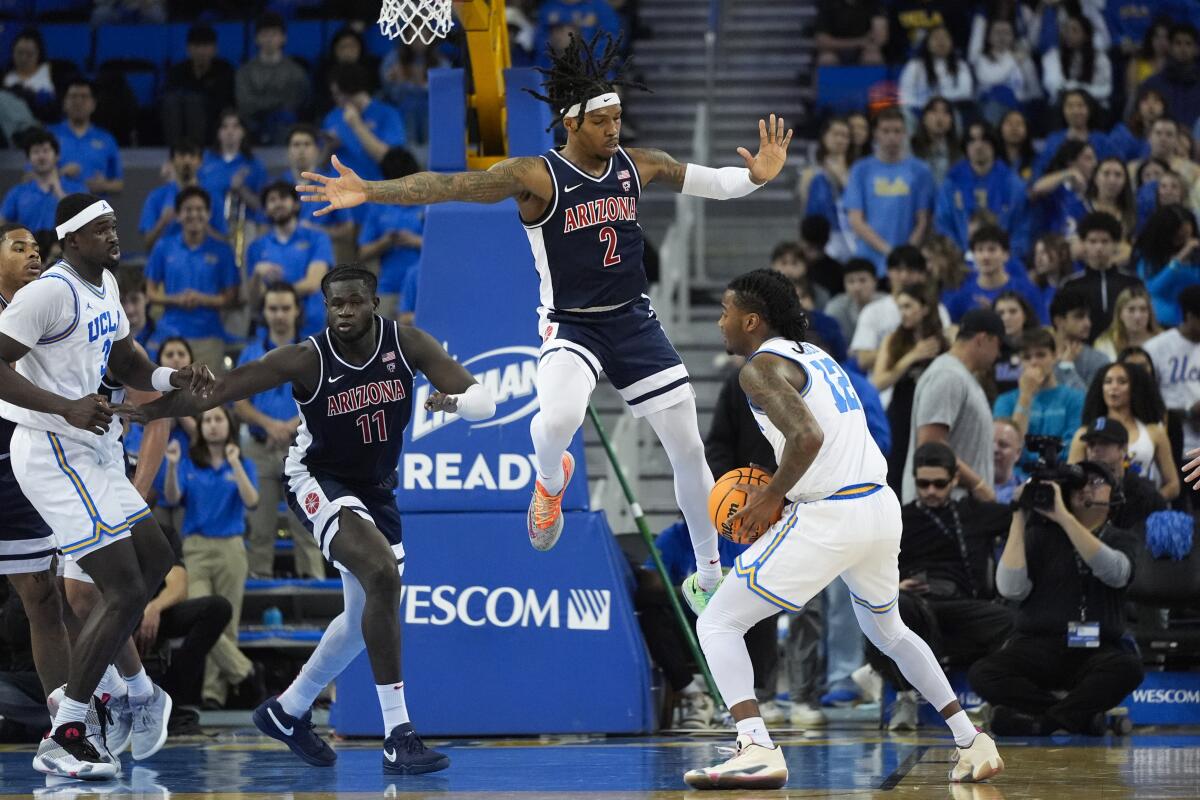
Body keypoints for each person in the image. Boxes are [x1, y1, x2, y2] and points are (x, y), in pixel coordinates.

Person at [297, 33, 794, 598]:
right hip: (572, 323)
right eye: (603, 120)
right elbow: (450, 185)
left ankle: (708, 575)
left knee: (685, 445)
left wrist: (757, 176)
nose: (614, 129)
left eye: (619, 117)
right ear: (571, 122)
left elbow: (713, 183)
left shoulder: (640, 164)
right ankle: (549, 484)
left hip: (633, 320)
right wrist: (371, 190)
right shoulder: (538, 176)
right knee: (557, 420)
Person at [132, 264, 495, 774]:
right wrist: (153, 411)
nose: (344, 312)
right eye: (334, 304)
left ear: (373, 302)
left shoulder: (407, 344)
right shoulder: (307, 358)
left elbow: (485, 400)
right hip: (316, 479)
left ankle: (288, 710)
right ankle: (398, 734)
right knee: (382, 576)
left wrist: (453, 403)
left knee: (359, 618)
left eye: (353, 302)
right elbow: (225, 388)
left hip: (376, 490)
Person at [682, 269, 1003, 789]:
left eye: (724, 312)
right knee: (889, 630)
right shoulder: (818, 356)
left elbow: (806, 437)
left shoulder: (758, 368)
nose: (720, 323)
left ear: (751, 320)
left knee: (717, 623)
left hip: (831, 514)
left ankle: (755, 745)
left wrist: (769, 496)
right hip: (877, 506)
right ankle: (972, 739)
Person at [0, 194, 214, 779]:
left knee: (156, 559)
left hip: (93, 446)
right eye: (101, 229)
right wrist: (65, 407)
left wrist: (174, 377)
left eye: (115, 225)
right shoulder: (50, 292)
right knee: (114, 586)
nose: (114, 235)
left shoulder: (106, 286)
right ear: (71, 240)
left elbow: (126, 360)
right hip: (49, 450)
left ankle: (138, 696)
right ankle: (67, 730)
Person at [969, 461, 1144, 736]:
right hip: (1040, 645)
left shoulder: (1121, 539)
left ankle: (1039, 722)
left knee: (1128, 668)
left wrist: (1064, 518)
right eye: (1079, 483)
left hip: (1096, 647)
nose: (1086, 487)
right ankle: (1077, 717)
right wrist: (1018, 516)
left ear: (1114, 495)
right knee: (984, 673)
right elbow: (1010, 589)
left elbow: (1116, 573)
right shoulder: (1040, 536)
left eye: (1097, 482)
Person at [872, 441, 1015, 731]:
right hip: (918, 605)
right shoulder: (901, 517)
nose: (931, 491)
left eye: (939, 483)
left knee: (1011, 620)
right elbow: (870, 564)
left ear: (954, 481)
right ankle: (905, 696)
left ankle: (993, 695)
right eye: (923, 484)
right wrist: (897, 583)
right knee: (891, 605)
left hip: (962, 605)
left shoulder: (971, 513)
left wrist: (976, 483)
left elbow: (1015, 515)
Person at [0, 224, 71, 743]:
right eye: (19, 247)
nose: (32, 256)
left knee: (43, 596)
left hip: (19, 464)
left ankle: (69, 726)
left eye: (37, 250)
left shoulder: (49, 309)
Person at [163, 407, 259, 710]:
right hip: (196, 548)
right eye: (207, 420)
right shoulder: (189, 461)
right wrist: (171, 465)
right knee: (204, 618)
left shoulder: (243, 462)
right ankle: (246, 673)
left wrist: (235, 464)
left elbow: (252, 501)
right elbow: (174, 498)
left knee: (227, 625)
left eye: (219, 420)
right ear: (201, 427)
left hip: (232, 547)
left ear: (229, 426)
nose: (213, 425)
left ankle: (213, 695)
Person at [234, 283, 326, 580]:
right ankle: (258, 580)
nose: (280, 315)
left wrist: (292, 426)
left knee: (308, 525)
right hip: (259, 449)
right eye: (273, 308)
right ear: (264, 312)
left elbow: (326, 401)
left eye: (286, 308)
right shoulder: (250, 352)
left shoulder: (313, 350)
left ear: (297, 311)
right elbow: (239, 404)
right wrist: (270, 425)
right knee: (260, 526)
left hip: (303, 450)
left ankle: (313, 583)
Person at [903, 308, 1004, 503]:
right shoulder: (947, 376)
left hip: (958, 505)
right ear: (982, 339)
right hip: (943, 507)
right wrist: (978, 485)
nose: (998, 354)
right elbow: (931, 445)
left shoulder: (960, 376)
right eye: (998, 345)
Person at [144, 186, 240, 374]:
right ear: (178, 215)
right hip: (169, 334)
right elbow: (150, 292)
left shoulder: (223, 251)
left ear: (209, 214)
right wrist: (176, 299)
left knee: (207, 397)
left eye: (200, 210)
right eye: (188, 210)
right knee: (166, 395)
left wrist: (202, 299)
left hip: (208, 335)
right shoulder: (163, 247)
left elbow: (232, 297)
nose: (194, 215)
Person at [870, 283, 946, 491]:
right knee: (897, 468)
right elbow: (877, 382)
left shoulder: (944, 338)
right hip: (902, 409)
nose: (902, 313)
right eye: (900, 307)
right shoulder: (893, 340)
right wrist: (911, 357)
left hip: (934, 409)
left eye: (908, 306)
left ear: (925, 308)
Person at [843, 107, 935, 276]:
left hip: (908, 264)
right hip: (869, 262)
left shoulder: (921, 171)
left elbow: (923, 220)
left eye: (897, 131)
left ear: (905, 133)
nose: (891, 137)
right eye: (885, 131)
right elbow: (855, 220)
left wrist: (905, 253)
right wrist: (889, 251)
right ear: (876, 134)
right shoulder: (860, 170)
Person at [1068, 360, 1179, 498]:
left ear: (1135, 388)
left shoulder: (1154, 432)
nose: (1113, 387)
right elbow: (1071, 481)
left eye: (1122, 382)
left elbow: (1173, 484)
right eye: (1108, 382)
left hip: (1142, 506)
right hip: (1098, 508)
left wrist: (1151, 503)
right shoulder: (1084, 434)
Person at [247, 181, 332, 339]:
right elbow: (253, 300)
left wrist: (272, 296)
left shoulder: (317, 237)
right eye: (272, 200)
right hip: (270, 332)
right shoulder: (256, 247)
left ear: (296, 205)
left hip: (311, 327)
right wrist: (258, 274)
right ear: (265, 210)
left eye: (283, 198)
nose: (277, 203)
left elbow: (312, 283)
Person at [934, 121, 1030, 258]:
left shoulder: (1014, 185)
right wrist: (960, 257)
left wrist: (1005, 258)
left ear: (994, 144)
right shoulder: (951, 184)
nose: (978, 146)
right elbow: (943, 225)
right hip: (960, 263)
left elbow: (1021, 229)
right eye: (972, 141)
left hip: (1004, 264)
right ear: (966, 146)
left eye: (984, 140)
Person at [849, 245, 947, 372]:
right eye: (898, 270)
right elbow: (863, 359)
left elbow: (944, 347)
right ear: (888, 272)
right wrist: (910, 352)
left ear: (923, 275)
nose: (904, 276)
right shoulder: (872, 311)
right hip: (887, 387)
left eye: (911, 270)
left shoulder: (938, 309)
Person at [993, 327, 1086, 459]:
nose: (1034, 362)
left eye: (1041, 355)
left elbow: (1072, 448)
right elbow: (1007, 449)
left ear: (1055, 356)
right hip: (1017, 476)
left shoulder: (1076, 398)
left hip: (1059, 473)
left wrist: (1031, 458)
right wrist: (1025, 396)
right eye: (1026, 357)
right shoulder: (1005, 401)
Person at [356, 148, 425, 319]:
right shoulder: (378, 207)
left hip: (422, 288)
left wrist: (415, 241)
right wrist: (385, 242)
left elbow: (446, 248)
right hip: (388, 289)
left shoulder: (428, 204)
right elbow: (363, 252)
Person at [1060, 213, 1145, 338]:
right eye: (1093, 241)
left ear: (1115, 244)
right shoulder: (1070, 285)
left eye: (1105, 241)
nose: (1099, 247)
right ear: (1083, 244)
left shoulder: (1132, 282)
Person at [1077, 416, 1168, 530]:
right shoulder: (1079, 490)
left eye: (1104, 443)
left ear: (1123, 449)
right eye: (1091, 444)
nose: (1095, 449)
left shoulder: (1146, 495)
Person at [323, 64, 408, 184]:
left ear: (350, 92)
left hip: (376, 187)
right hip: (341, 189)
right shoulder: (332, 117)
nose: (336, 100)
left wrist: (356, 125)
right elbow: (321, 164)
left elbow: (390, 159)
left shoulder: (388, 114)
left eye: (338, 94)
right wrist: (329, 147)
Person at [235, 12, 311, 145]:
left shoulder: (296, 72)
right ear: (256, 38)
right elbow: (245, 104)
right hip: (253, 125)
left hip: (286, 126)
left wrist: (263, 103)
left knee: (285, 117)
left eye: (274, 34)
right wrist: (276, 102)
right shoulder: (245, 72)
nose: (269, 39)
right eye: (264, 34)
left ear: (283, 38)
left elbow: (295, 103)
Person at [942, 225, 1040, 323]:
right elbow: (950, 330)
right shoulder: (962, 295)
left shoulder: (1026, 291)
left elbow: (1044, 329)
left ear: (1006, 254)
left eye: (992, 250)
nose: (986, 256)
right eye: (980, 250)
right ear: (974, 255)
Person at [161, 24, 237, 148]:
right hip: (182, 123)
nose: (201, 51)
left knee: (194, 103)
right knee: (172, 102)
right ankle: (175, 151)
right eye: (197, 46)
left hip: (214, 122)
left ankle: (197, 151)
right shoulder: (177, 71)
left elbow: (227, 102)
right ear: (188, 49)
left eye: (206, 46)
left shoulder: (225, 70)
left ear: (215, 49)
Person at [0, 130, 85, 235]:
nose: (41, 157)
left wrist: (59, 192)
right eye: (35, 152)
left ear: (57, 156)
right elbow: (2, 222)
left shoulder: (77, 189)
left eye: (46, 151)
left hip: (65, 248)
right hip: (29, 248)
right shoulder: (17, 192)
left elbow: (84, 223)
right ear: (28, 159)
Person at [48, 80, 123, 198]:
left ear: (93, 105)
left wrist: (104, 186)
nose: (78, 101)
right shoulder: (49, 135)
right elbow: (28, 178)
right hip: (56, 208)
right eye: (73, 97)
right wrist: (60, 173)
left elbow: (119, 184)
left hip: (94, 210)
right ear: (64, 104)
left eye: (84, 97)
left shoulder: (106, 139)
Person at [198, 110, 268, 231]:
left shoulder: (255, 165)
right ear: (218, 133)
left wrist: (241, 189)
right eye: (225, 127)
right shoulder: (203, 161)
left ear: (243, 132)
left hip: (244, 227)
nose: (230, 132)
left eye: (235, 126)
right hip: (206, 226)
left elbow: (262, 206)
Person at [1135, 204, 1200, 326]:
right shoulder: (1149, 257)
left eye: (1188, 235)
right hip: (1161, 322)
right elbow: (1152, 289)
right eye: (1179, 236)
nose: (1185, 240)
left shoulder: (1196, 255)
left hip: (1194, 321)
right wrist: (1179, 259)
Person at [138, 140, 207, 251]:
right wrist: (163, 222)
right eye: (182, 156)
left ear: (200, 162)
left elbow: (224, 241)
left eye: (192, 156)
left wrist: (203, 225)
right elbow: (147, 245)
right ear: (171, 161)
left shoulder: (212, 197)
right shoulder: (156, 197)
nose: (187, 161)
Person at [1041, 10, 1113, 106]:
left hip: (1092, 104)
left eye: (1074, 30)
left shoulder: (1100, 58)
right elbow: (1053, 84)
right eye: (1066, 29)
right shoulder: (1052, 56)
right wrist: (1074, 91)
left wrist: (1081, 90)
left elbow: (1106, 89)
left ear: (1086, 35)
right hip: (1063, 105)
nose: (1068, 34)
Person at [898, 27, 974, 116]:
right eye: (936, 38)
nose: (941, 42)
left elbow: (965, 92)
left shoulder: (960, 65)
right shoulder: (915, 66)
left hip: (950, 111)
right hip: (921, 111)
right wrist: (921, 109)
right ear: (927, 43)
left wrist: (939, 100)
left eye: (945, 38)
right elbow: (905, 94)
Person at [1050, 286, 1111, 390]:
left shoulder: (1099, 360)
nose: (1088, 323)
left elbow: (1091, 403)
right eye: (1079, 316)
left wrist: (1067, 367)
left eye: (1088, 317)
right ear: (1059, 321)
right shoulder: (1039, 356)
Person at [1141, 23, 1200, 129]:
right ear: (1170, 47)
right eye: (1178, 43)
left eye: (1188, 44)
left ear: (1196, 49)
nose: (1183, 48)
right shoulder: (1152, 84)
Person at [1093, 285, 1162, 360]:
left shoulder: (1162, 341)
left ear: (1150, 314)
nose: (1137, 316)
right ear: (1120, 314)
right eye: (1131, 310)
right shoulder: (1105, 344)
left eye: (1143, 309)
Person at [814, 0, 888, 65]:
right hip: (835, 50)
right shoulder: (827, 3)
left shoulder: (874, 3)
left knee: (873, 58)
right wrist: (860, 42)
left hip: (864, 50)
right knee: (827, 59)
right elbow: (822, 41)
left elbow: (880, 37)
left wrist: (869, 43)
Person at [824, 258, 877, 343]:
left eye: (862, 280)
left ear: (875, 281)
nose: (857, 287)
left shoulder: (887, 303)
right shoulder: (836, 307)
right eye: (851, 281)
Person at [993, 417, 1023, 502]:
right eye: (989, 443)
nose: (994, 449)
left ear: (1018, 453)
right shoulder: (967, 486)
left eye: (1003, 445)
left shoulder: (1025, 492)